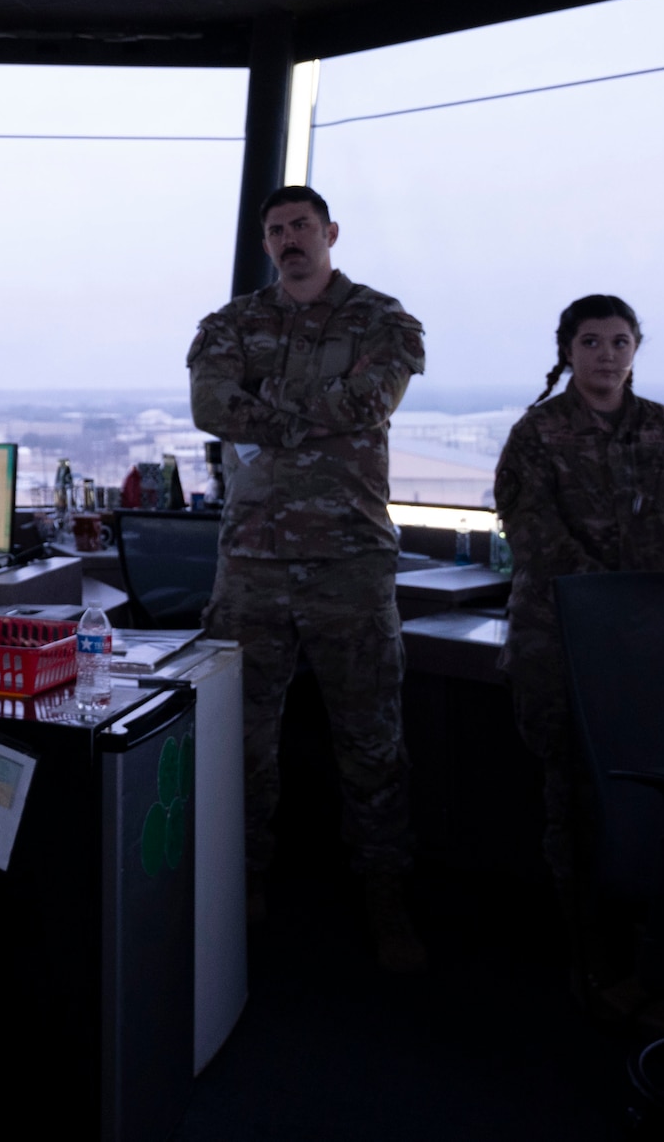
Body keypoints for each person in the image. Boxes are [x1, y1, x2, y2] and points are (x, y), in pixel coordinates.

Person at [187, 183, 428, 974]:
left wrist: (266, 399)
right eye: (276, 229)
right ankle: (244, 885)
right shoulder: (232, 323)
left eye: (301, 226)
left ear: (331, 232)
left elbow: (370, 399)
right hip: (251, 562)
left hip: (350, 562)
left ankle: (385, 896)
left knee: (372, 740)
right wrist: (315, 404)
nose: (290, 239)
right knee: (242, 743)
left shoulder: (383, 320)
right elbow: (210, 405)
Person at [492, 294, 664, 986]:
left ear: (636, 349)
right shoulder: (537, 436)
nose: (606, 354)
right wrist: (622, 610)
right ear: (568, 350)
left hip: (661, 648)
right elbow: (534, 534)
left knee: (661, 801)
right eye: (591, 341)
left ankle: (656, 959)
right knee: (574, 800)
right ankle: (588, 956)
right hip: (564, 644)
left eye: (619, 340)